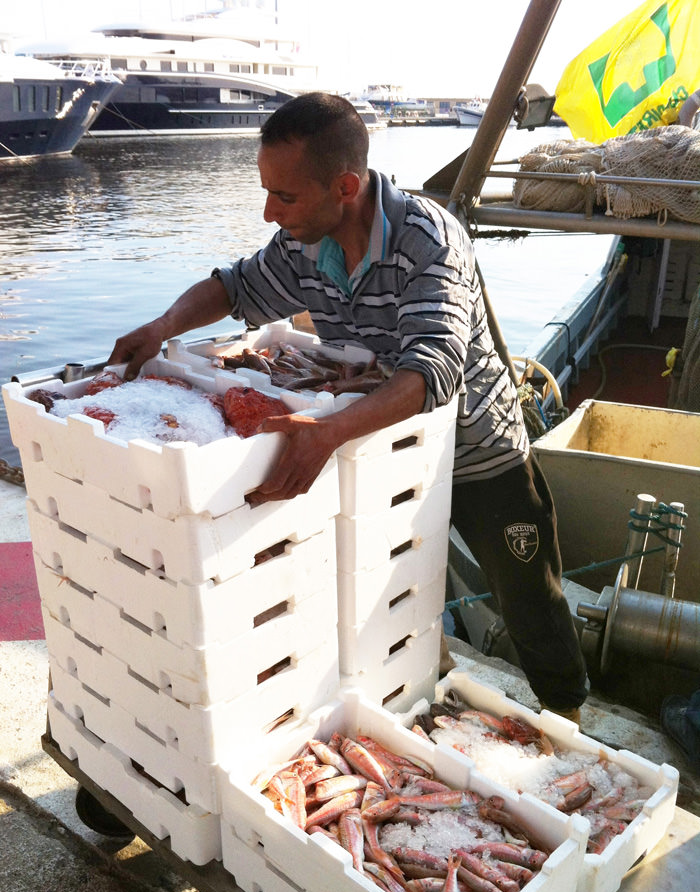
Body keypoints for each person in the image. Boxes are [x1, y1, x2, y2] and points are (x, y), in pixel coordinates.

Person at [108, 92, 588, 723]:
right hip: (381, 453)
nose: (268, 212)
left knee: (527, 596)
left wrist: (326, 431)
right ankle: (419, 692)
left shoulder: (427, 241)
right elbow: (235, 287)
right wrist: (163, 323)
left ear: (345, 185)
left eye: (284, 197)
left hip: (475, 451)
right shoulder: (302, 245)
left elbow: (433, 372)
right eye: (267, 192)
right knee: (384, 591)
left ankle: (568, 720)